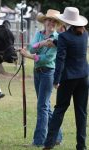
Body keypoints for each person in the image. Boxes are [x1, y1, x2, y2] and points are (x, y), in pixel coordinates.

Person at [43, 7, 88, 150]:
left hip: (68, 78)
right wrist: (56, 42)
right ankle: (81, 145)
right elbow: (73, 45)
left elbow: (61, 60)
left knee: (59, 110)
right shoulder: (85, 34)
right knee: (81, 112)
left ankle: (49, 143)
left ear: (66, 21)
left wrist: (56, 81)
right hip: (84, 77)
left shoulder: (63, 37)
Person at [20, 9, 62, 147]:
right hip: (37, 72)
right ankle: (58, 136)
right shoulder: (39, 34)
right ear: (44, 22)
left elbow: (46, 59)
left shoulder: (57, 39)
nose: (51, 23)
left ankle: (39, 141)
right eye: (48, 20)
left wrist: (30, 55)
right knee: (45, 106)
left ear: (56, 24)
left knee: (42, 107)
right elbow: (32, 48)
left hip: (48, 73)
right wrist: (42, 44)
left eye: (53, 21)